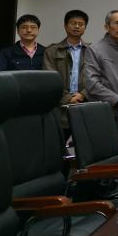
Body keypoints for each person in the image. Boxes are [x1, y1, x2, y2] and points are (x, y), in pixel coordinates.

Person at [84, 10, 118, 144]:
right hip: (103, 112)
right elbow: (92, 83)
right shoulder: (94, 49)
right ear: (107, 26)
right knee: (104, 152)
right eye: (117, 23)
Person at [43, 10, 90, 140]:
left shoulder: (92, 51)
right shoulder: (52, 51)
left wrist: (83, 94)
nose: (77, 26)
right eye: (73, 23)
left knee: (85, 147)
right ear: (65, 25)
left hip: (85, 104)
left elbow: (97, 77)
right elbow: (49, 80)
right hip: (59, 106)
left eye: (81, 24)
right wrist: (68, 98)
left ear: (85, 27)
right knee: (57, 146)